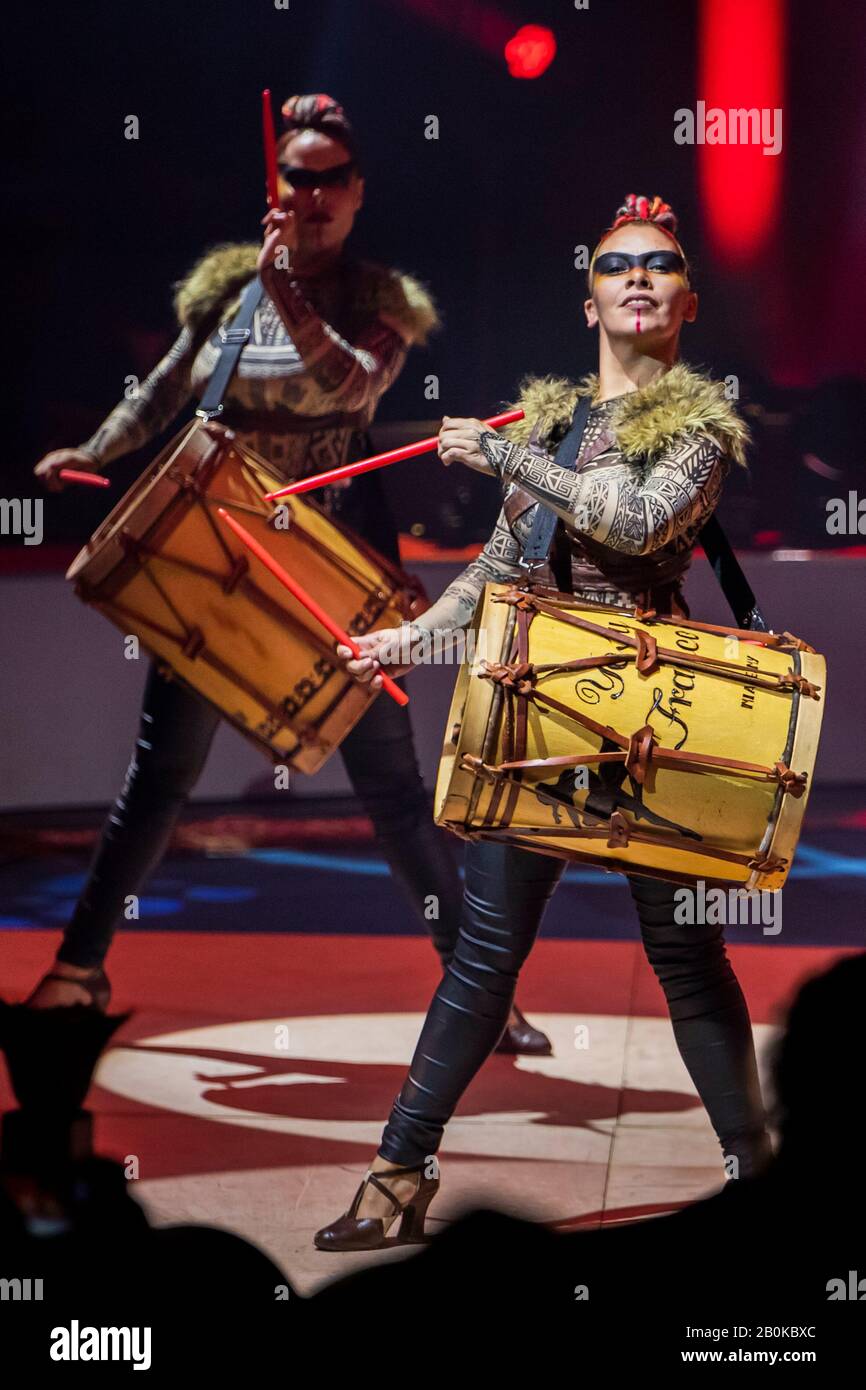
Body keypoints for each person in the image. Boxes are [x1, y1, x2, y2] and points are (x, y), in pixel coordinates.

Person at [27, 92, 548, 1055]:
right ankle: (77, 970)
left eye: (325, 182)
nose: (307, 197)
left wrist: (289, 292)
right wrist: (91, 449)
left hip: (332, 560)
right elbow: (169, 386)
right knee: (162, 774)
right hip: (223, 549)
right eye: (293, 178)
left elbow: (348, 382)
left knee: (390, 788)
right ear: (279, 185)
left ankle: (481, 995)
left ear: (355, 195)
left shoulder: (379, 301)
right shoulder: (230, 291)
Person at [315, 194, 774, 1252]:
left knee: (685, 957)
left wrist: (503, 457)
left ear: (686, 300)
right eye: (616, 265)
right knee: (481, 957)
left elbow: (635, 521)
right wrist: (407, 640)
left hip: (649, 708)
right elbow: (492, 571)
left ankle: (756, 1178)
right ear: (589, 300)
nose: (638, 278)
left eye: (659, 265)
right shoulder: (554, 417)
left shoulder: (697, 426)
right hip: (538, 706)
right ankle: (395, 1176)